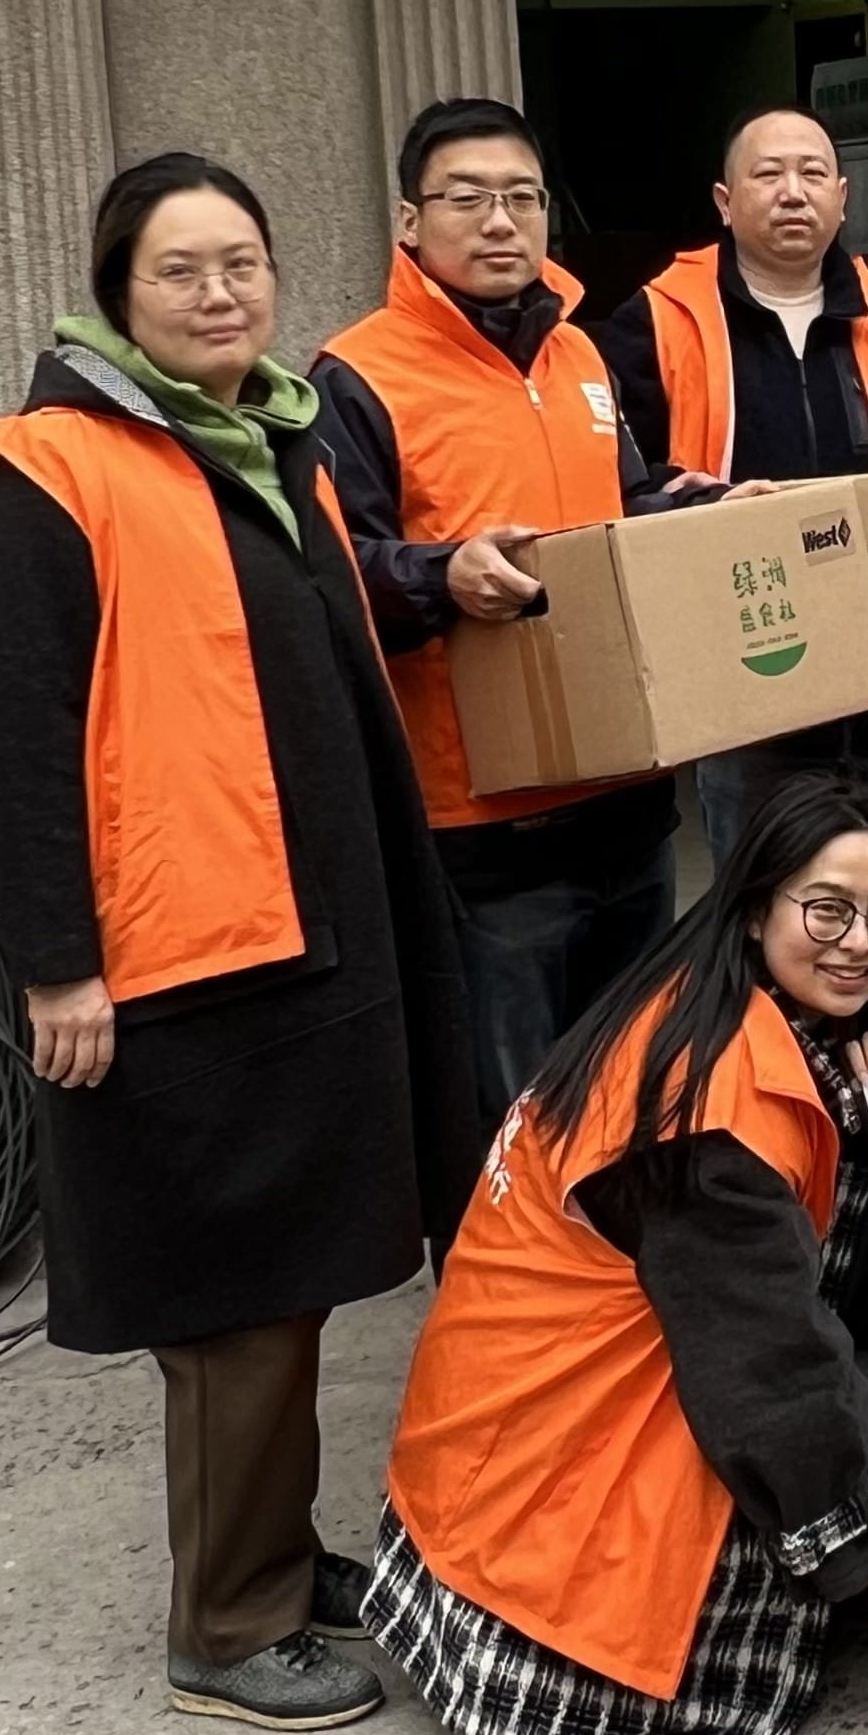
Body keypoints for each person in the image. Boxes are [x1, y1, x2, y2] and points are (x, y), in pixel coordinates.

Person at [0, 152, 482, 1734]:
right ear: (116, 292)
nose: (218, 293)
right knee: (235, 1297)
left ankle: (269, 1545)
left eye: (241, 263)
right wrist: (58, 959)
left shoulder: (274, 442)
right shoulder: (58, 466)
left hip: (318, 924)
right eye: (180, 270)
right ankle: (228, 1624)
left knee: (308, 1268)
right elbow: (22, 729)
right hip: (188, 949)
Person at [358, 766, 868, 1735]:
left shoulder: (693, 1005)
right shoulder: (710, 1115)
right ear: (751, 909)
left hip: (491, 1469)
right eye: (825, 909)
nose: (860, 942)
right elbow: (771, 1371)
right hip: (554, 1546)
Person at [316, 95, 723, 1117]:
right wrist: (442, 577)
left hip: (626, 798)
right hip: (485, 828)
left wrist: (707, 504)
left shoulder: (578, 354)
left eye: (522, 198)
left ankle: (617, 1282)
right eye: (467, 199)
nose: (500, 222)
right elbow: (338, 571)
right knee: (515, 1124)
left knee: (630, 1100)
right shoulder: (356, 377)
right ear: (410, 222)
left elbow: (619, 501)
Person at [598, 106, 868, 860]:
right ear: (724, 201)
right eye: (768, 173)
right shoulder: (660, 317)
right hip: (749, 666)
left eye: (812, 174)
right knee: (761, 904)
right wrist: (703, 499)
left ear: (842, 198)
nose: (792, 192)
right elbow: (614, 477)